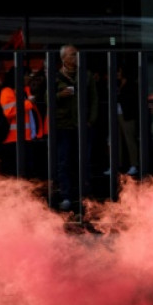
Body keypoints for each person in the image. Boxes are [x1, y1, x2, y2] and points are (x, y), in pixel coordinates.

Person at [54, 44, 98, 212]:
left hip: (83, 125)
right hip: (63, 125)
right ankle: (66, 195)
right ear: (63, 58)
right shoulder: (56, 76)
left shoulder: (86, 76)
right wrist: (59, 95)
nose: (76, 57)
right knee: (64, 161)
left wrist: (91, 120)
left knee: (84, 161)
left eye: (77, 54)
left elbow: (94, 99)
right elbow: (47, 98)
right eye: (72, 55)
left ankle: (84, 195)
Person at [114, 64, 139, 177]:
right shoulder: (117, 83)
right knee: (117, 140)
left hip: (127, 115)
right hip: (117, 113)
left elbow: (130, 100)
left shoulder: (131, 85)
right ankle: (117, 164)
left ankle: (134, 164)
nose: (117, 74)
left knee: (130, 139)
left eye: (119, 72)